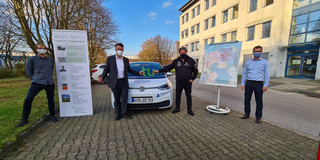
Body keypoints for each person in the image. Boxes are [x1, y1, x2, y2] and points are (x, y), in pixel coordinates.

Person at [16, 43, 58, 127]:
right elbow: (28, 71)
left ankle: (52, 115)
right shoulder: (32, 59)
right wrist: (34, 78)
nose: (42, 49)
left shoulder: (50, 60)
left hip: (49, 83)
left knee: (51, 100)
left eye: (44, 48)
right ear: (36, 49)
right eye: (40, 48)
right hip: (37, 82)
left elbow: (51, 70)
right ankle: (24, 119)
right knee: (28, 99)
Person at [99, 43, 143, 120]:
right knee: (117, 99)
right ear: (115, 50)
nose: (119, 50)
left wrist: (138, 73)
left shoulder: (126, 60)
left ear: (123, 50)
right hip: (114, 82)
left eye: (121, 49)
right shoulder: (110, 59)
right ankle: (118, 113)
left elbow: (129, 70)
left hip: (123, 82)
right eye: (118, 49)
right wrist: (102, 77)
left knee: (124, 99)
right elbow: (106, 70)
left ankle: (124, 113)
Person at [155, 47, 198, 116]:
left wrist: (192, 79)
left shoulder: (191, 60)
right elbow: (168, 67)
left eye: (184, 52)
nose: (182, 54)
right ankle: (177, 108)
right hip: (179, 82)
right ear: (179, 53)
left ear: (186, 52)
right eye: (181, 53)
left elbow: (195, 71)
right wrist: (159, 70)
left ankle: (189, 110)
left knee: (188, 96)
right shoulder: (176, 61)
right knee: (178, 96)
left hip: (188, 82)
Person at [240, 45, 270, 123]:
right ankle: (247, 114)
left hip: (259, 84)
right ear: (253, 52)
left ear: (261, 52)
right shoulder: (248, 63)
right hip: (249, 83)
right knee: (247, 99)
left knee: (259, 101)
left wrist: (266, 85)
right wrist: (243, 83)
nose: (257, 53)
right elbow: (244, 73)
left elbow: (267, 74)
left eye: (259, 51)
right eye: (256, 51)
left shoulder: (265, 63)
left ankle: (258, 117)